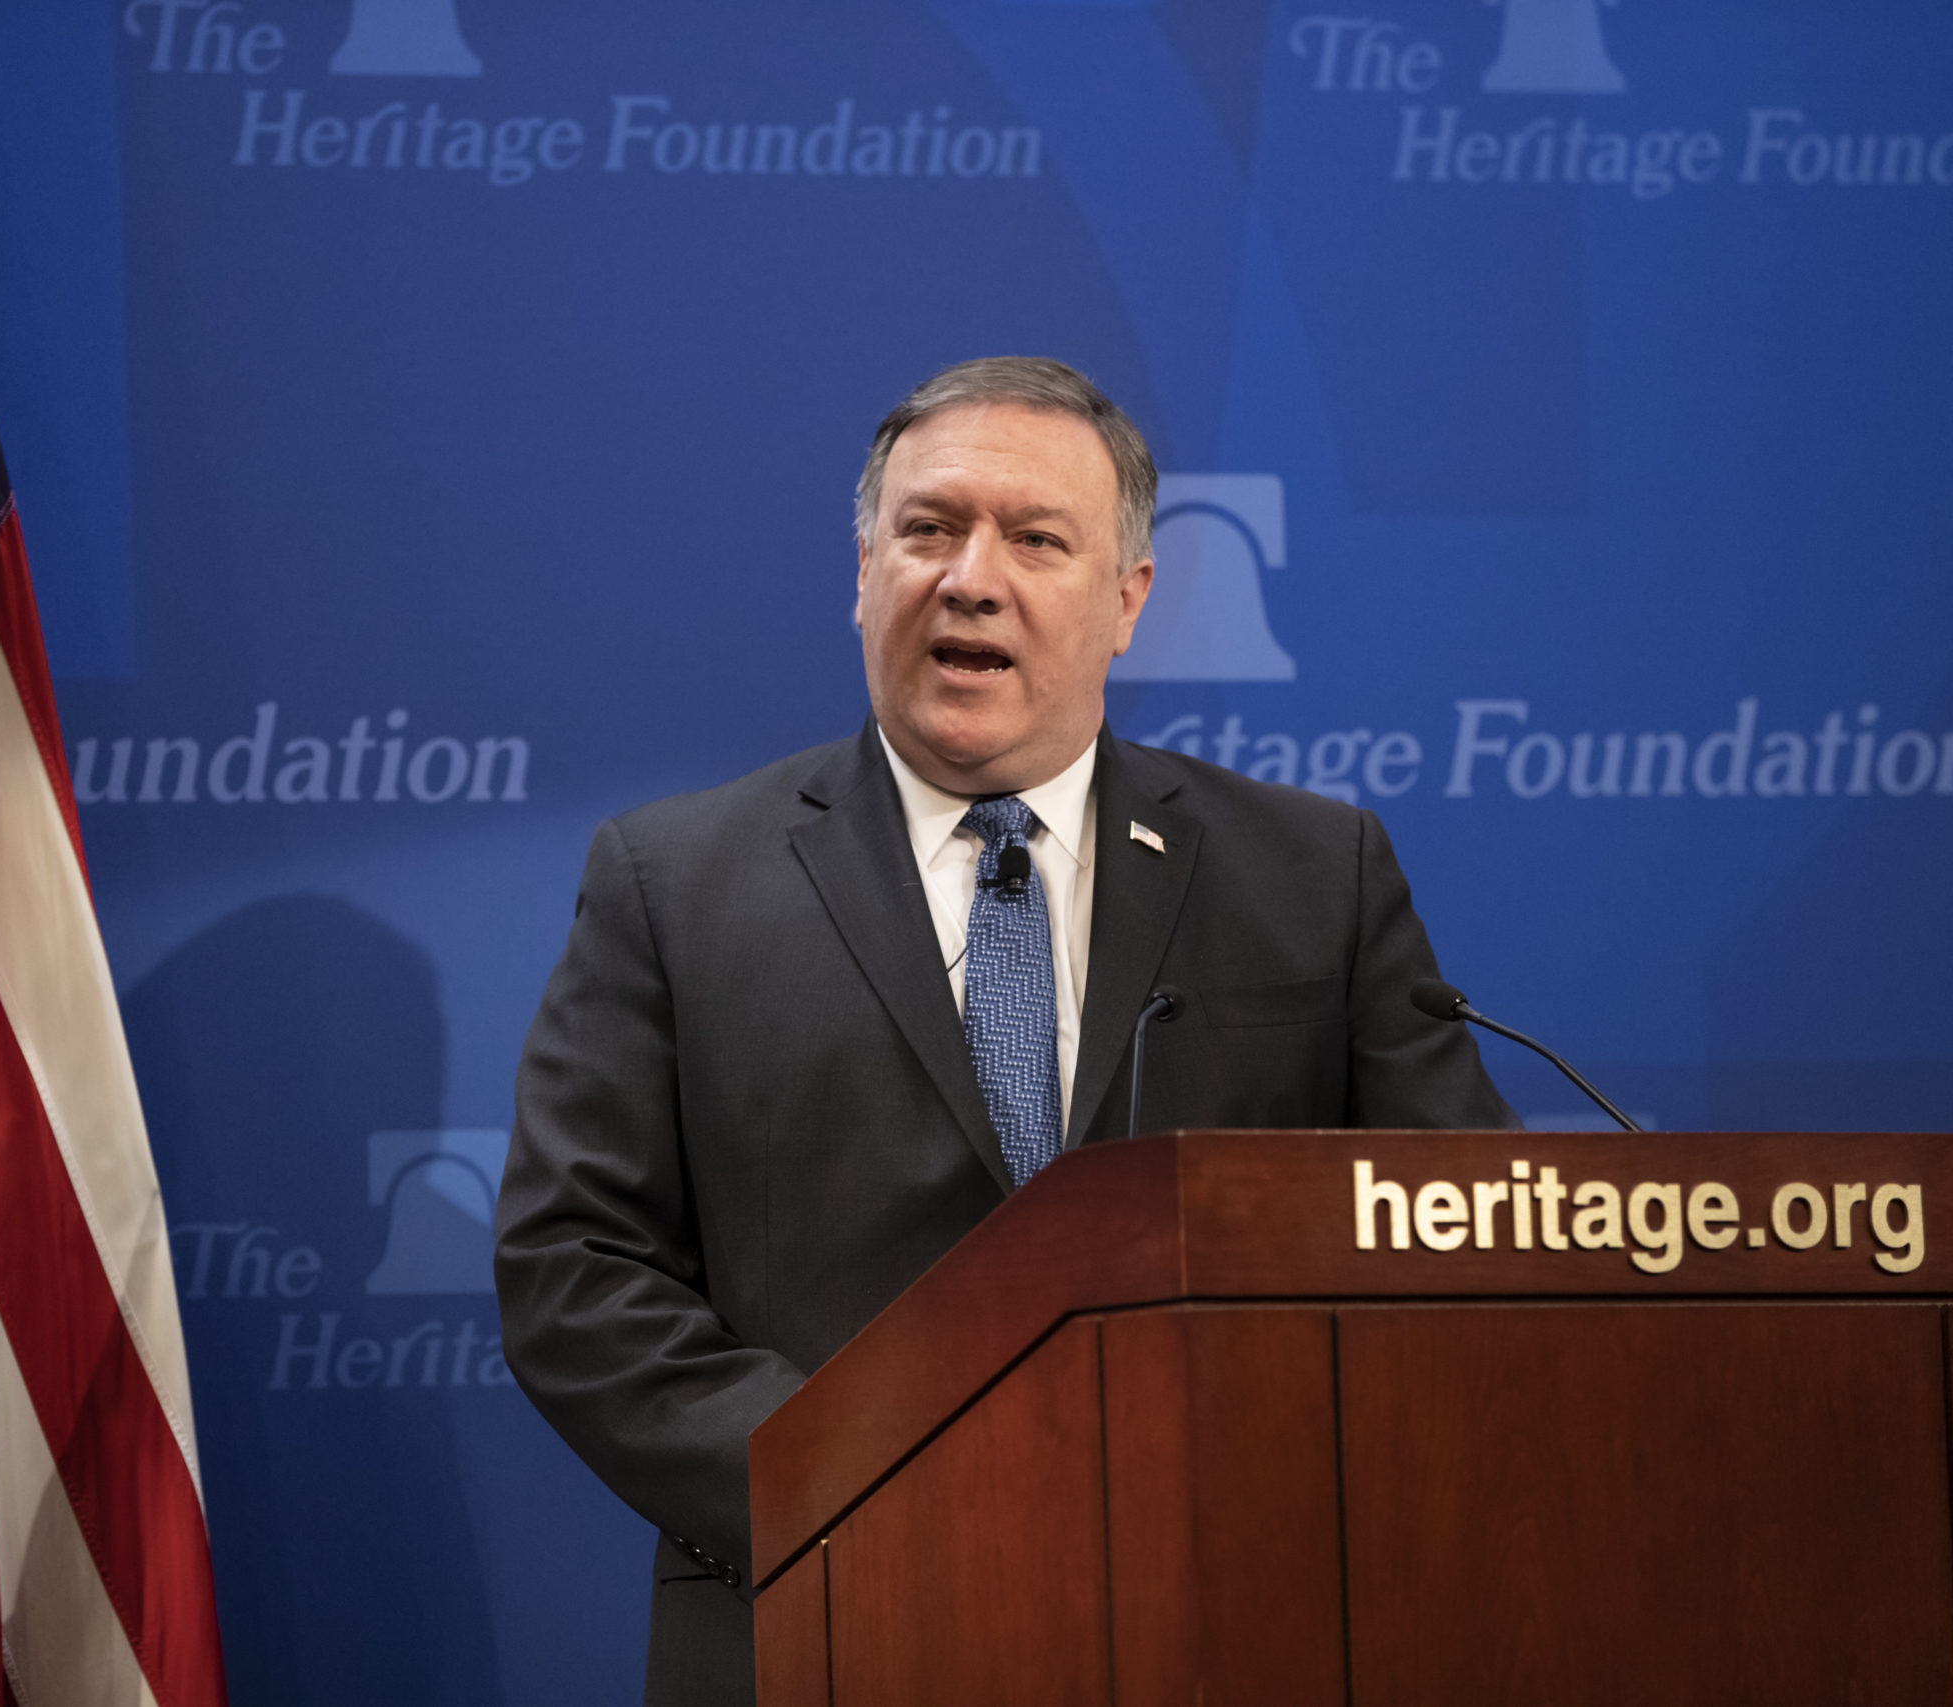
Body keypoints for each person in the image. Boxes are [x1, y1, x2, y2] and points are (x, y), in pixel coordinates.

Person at [495, 357, 1515, 1705]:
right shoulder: (672, 884)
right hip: (819, 1621)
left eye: (1037, 539)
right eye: (929, 530)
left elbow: (1458, 1236)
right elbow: (575, 1267)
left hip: (1229, 1616)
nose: (971, 579)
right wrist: (857, 1474)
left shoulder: (1312, 876)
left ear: (1128, 602)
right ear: (864, 572)